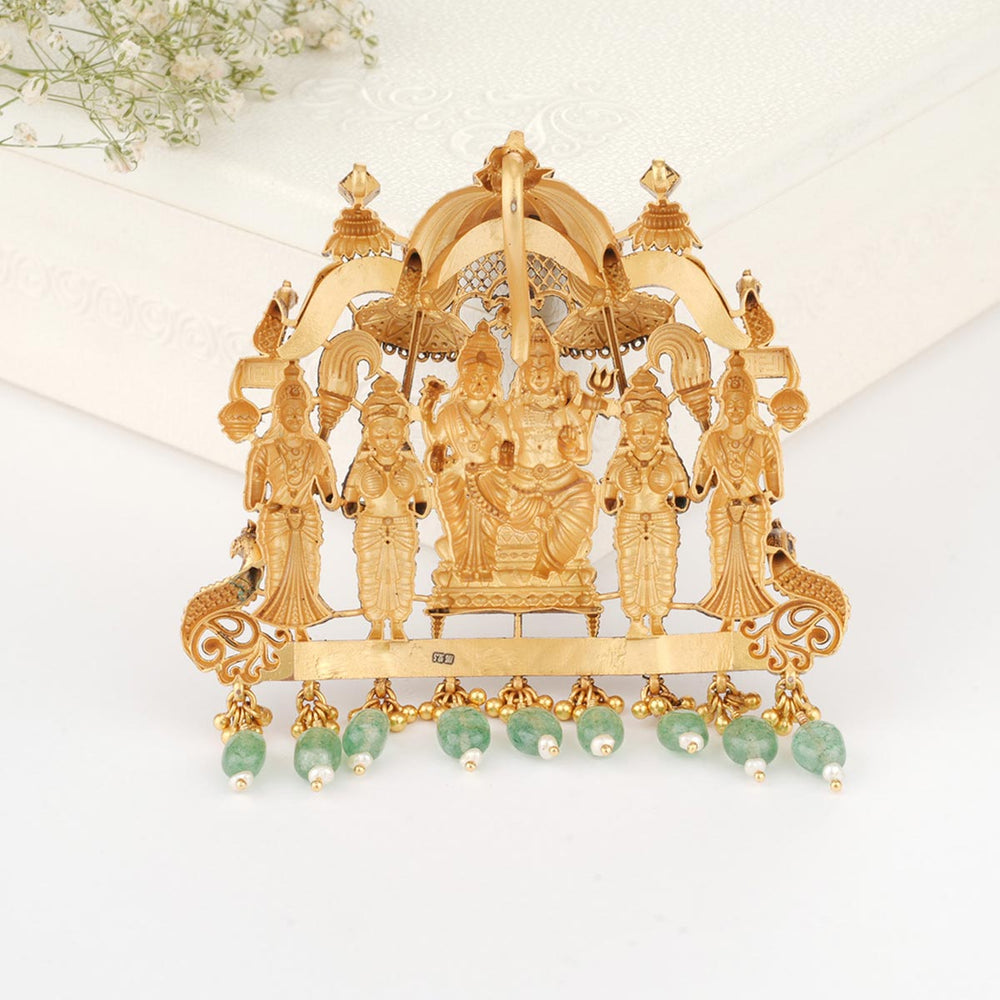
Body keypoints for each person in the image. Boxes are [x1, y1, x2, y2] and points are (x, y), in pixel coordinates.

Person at [505, 320, 607, 578]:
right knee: (485, 496)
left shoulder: (568, 410)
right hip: (520, 485)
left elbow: (583, 455)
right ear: (523, 373)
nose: (539, 371)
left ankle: (546, 569)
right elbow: (497, 450)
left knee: (584, 498)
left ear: (555, 370)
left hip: (563, 483)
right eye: (533, 365)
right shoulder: (512, 409)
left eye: (544, 365)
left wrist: (570, 449)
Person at [244, 362, 339, 633]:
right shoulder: (265, 450)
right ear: (279, 413)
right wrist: (261, 493)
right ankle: (281, 628)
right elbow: (253, 500)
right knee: (278, 569)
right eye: (289, 412)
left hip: (307, 517)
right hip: (277, 519)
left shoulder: (316, 449)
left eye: (300, 412)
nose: (295, 417)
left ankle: (303, 626)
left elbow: (330, 497)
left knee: (309, 569)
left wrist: (338, 496)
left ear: (307, 412)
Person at [691, 352, 783, 627]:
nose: (734, 409)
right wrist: (683, 491)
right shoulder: (712, 440)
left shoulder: (763, 440)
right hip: (722, 507)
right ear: (722, 404)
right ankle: (726, 616)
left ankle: (750, 616)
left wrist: (754, 500)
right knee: (721, 559)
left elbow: (775, 491)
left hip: (753, 509)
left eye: (740, 403)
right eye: (729, 403)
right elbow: (699, 487)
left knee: (753, 558)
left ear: (750, 404)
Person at [419, 322, 513, 582]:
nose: (479, 383)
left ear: (493, 382)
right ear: (463, 381)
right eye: (473, 379)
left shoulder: (498, 412)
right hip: (457, 476)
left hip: (489, 476)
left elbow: (509, 442)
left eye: (484, 379)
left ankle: (486, 566)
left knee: (486, 526)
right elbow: (437, 439)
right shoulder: (450, 412)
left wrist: (505, 453)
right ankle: (463, 566)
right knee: (459, 524)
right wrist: (428, 410)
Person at [601, 369, 689, 637]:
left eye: (650, 428)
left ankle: (658, 617)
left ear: (661, 429)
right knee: (630, 571)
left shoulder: (670, 461)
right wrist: (615, 489)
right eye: (636, 428)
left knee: (662, 569)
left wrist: (675, 492)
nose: (643, 434)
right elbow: (608, 501)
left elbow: (682, 499)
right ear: (626, 430)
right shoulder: (619, 462)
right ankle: (635, 619)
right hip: (630, 521)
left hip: (661, 521)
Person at [343, 375, 429, 640]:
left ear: (403, 434)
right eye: (380, 433)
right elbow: (349, 503)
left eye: (394, 433)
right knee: (371, 574)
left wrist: (417, 504)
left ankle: (399, 622)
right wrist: (353, 507)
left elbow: (423, 503)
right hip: (371, 527)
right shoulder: (362, 466)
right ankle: (376, 623)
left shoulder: (411, 466)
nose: (388, 439)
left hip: (403, 525)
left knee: (403, 574)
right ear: (369, 435)